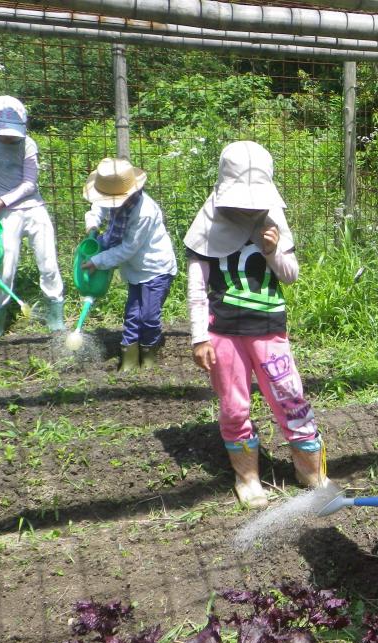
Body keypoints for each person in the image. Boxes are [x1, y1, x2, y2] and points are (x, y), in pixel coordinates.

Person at [184, 141, 324, 509]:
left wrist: (273, 250)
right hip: (224, 333)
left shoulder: (273, 218)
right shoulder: (207, 223)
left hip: (269, 330)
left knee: (289, 396)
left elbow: (290, 276)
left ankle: (309, 469)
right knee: (234, 406)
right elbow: (197, 288)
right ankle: (246, 476)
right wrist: (199, 337)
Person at [0, 95, 64, 335]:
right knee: (4, 269)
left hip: (33, 208)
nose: (10, 137)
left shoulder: (27, 143)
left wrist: (0, 200)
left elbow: (30, 183)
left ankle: (56, 317)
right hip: (5, 215)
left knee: (48, 263)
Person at [82, 158, 177, 370]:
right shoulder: (114, 199)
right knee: (133, 314)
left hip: (155, 269)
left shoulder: (143, 212)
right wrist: (92, 224)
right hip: (135, 269)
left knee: (149, 317)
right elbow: (98, 206)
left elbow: (127, 249)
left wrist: (98, 261)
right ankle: (129, 361)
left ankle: (149, 358)